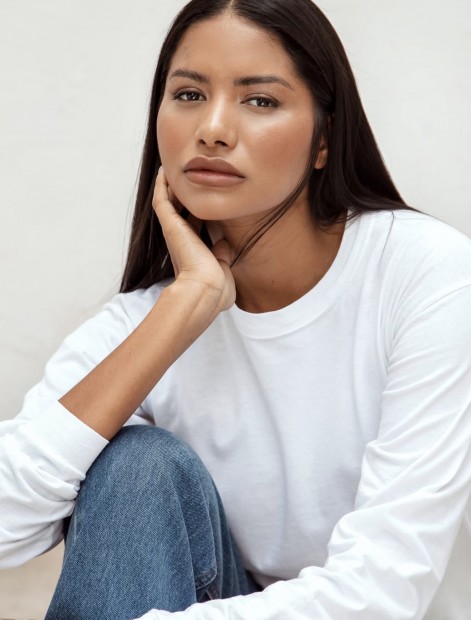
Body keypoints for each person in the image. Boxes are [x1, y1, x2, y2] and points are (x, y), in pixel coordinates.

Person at [0, 0, 470, 618]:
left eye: (260, 100)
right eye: (189, 95)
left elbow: (383, 589)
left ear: (324, 140)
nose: (213, 129)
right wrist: (186, 306)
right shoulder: (148, 319)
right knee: (136, 465)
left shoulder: (424, 274)